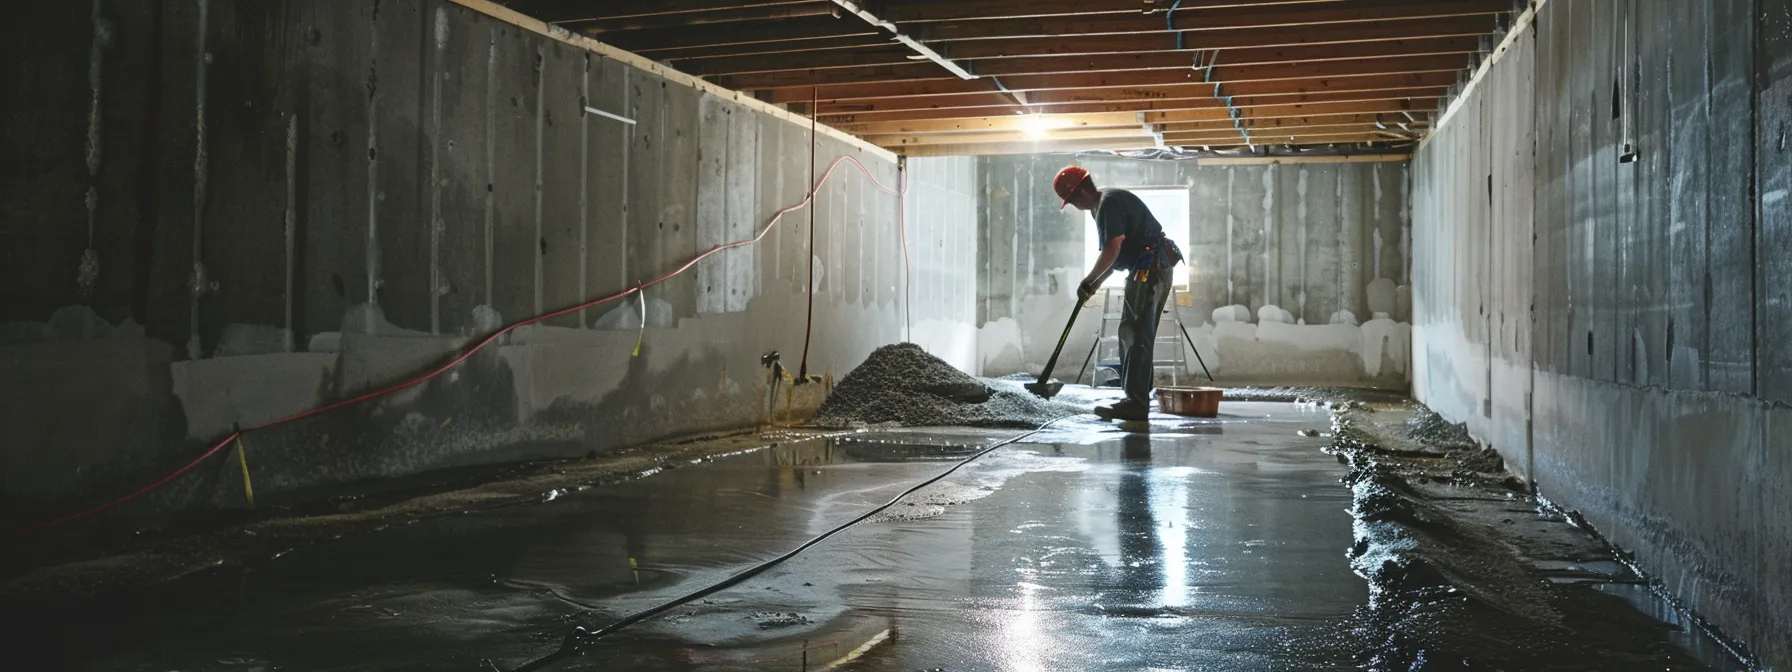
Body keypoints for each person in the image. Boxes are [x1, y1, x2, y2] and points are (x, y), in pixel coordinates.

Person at [1052, 165, 1182, 422]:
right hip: (1149, 267)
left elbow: (1112, 248)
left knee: (1135, 333)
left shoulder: (1107, 205)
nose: (1074, 205)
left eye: (1071, 200)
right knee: (1133, 332)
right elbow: (1116, 256)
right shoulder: (1103, 205)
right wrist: (1094, 285)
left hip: (1150, 268)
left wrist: (1089, 279)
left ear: (1078, 195)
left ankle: (1135, 402)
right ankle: (1135, 394)